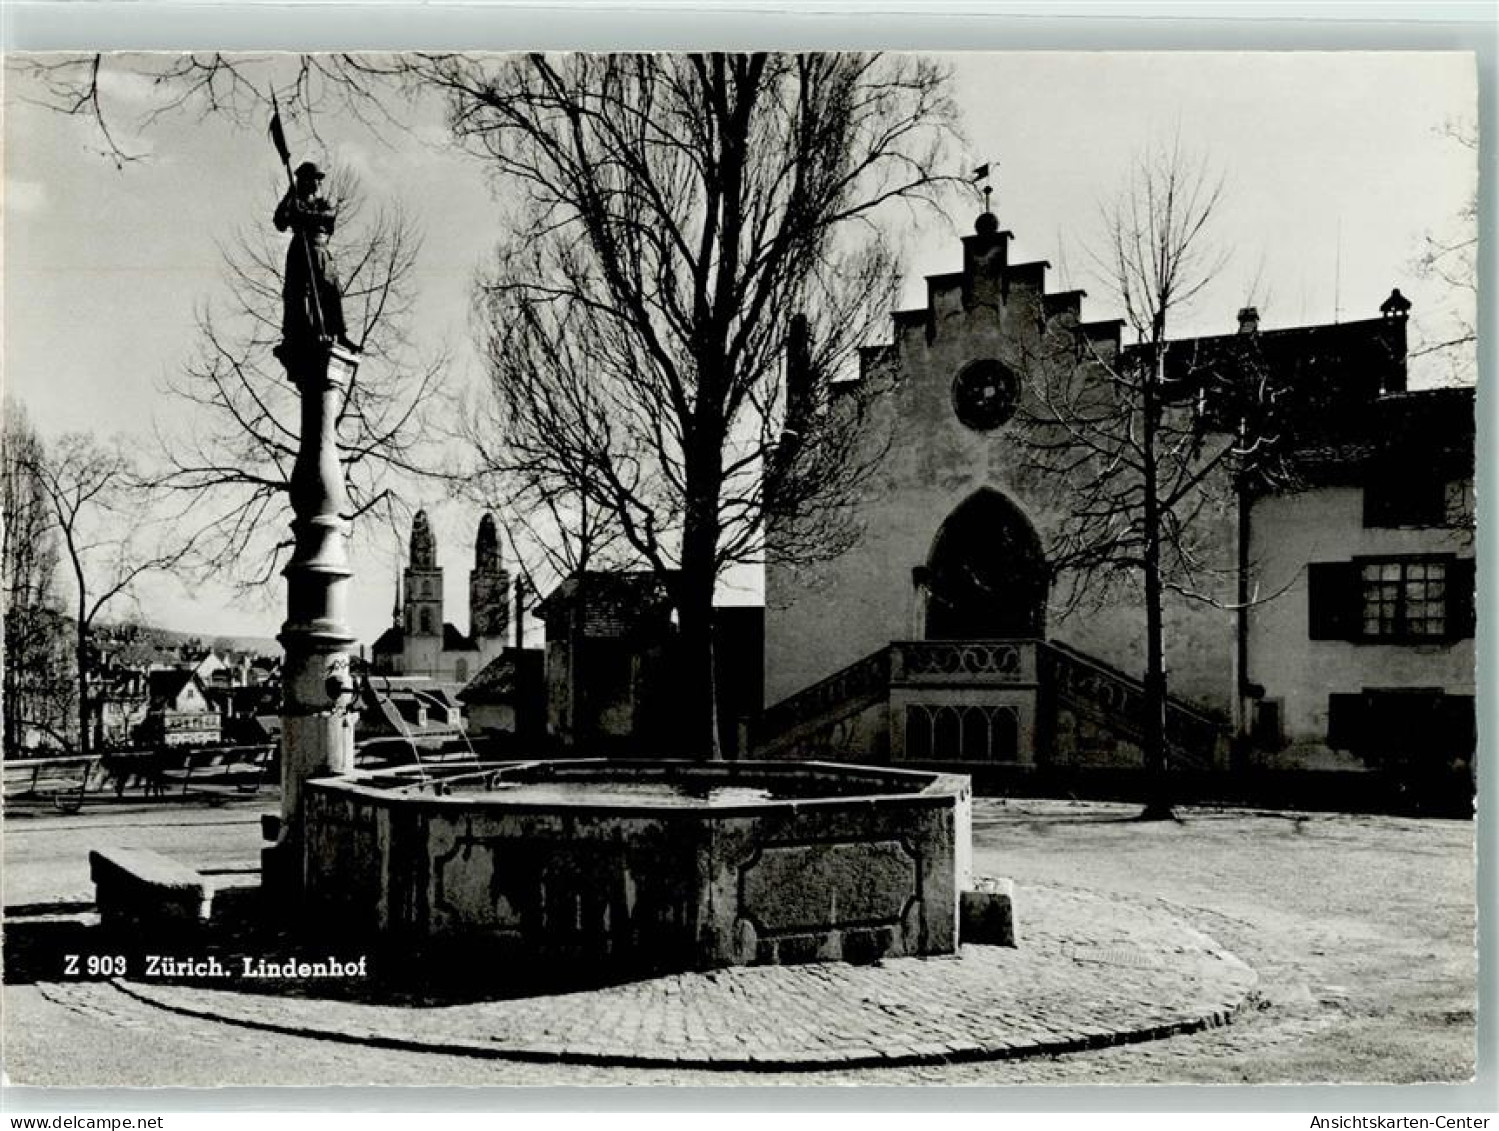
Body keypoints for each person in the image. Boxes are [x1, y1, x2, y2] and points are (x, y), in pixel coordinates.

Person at [274, 161, 358, 353]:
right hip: (301, 251)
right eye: (314, 179)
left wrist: (303, 215)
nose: (318, 183)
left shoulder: (322, 204)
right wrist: (289, 197)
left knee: (331, 291)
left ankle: (340, 334)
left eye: (319, 180)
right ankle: (302, 333)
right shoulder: (295, 202)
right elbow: (279, 222)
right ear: (303, 180)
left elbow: (328, 220)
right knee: (299, 293)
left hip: (320, 250)